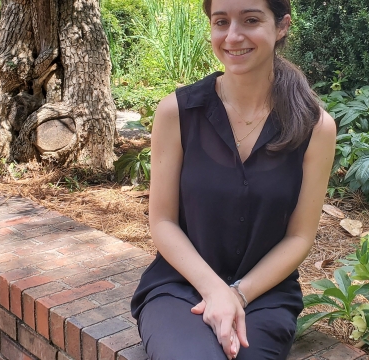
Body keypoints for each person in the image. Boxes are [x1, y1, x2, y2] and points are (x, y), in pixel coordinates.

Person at [129, 0, 336, 358]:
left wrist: (237, 294)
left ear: (282, 26)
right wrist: (215, 290)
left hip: (264, 296)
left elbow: (300, 236)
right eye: (221, 21)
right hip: (181, 286)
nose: (233, 35)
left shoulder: (315, 127)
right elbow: (162, 221)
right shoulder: (178, 112)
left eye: (251, 20)